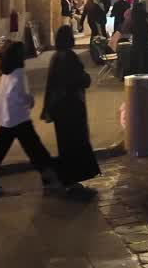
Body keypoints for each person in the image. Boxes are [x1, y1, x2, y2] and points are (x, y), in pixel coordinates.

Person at [0, 43, 60, 197]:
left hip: (6, 119)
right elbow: (20, 96)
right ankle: (51, 179)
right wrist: (30, 101)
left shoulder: (6, 73)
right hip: (19, 119)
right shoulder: (19, 73)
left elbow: (5, 94)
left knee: (1, 153)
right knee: (36, 150)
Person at [42, 25, 100, 198]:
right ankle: (70, 182)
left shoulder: (56, 57)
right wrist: (86, 78)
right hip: (71, 107)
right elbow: (78, 79)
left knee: (66, 144)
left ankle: (62, 179)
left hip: (60, 107)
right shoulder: (69, 57)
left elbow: (51, 84)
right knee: (74, 144)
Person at [128, 1, 148, 75]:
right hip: (143, 39)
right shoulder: (142, 15)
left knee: (138, 55)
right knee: (143, 55)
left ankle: (138, 71)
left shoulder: (134, 15)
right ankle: (143, 71)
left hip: (136, 39)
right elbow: (147, 27)